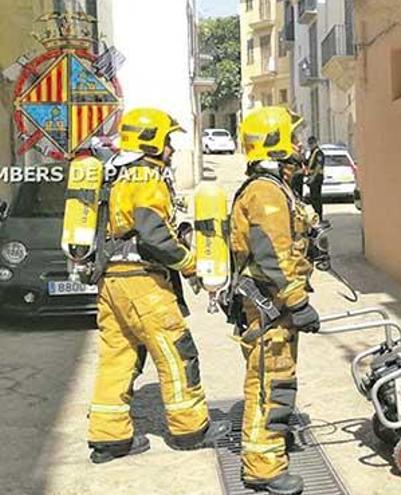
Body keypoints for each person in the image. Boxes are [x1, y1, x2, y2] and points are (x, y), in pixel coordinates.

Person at [87, 108, 230, 464]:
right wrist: (190, 262)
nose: (170, 149)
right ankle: (189, 430)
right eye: (167, 141)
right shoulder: (146, 177)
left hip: (111, 280)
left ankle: (109, 438)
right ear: (151, 141)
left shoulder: (116, 175)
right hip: (143, 284)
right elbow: (153, 237)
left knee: (117, 357)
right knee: (176, 352)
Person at [229, 106, 321, 495]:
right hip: (270, 305)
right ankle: (262, 468)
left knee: (277, 379)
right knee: (269, 382)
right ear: (277, 143)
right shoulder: (265, 192)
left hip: (273, 304)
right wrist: (298, 302)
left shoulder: (274, 188)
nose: (300, 146)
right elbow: (272, 256)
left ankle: (269, 449)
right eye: (293, 138)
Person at [305, 136, 325, 223]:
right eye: (310, 144)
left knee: (316, 198)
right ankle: (315, 216)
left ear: (316, 143)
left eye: (312, 143)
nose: (311, 145)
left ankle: (319, 217)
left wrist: (312, 178)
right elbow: (308, 163)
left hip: (316, 178)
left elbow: (318, 166)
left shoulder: (319, 153)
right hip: (312, 177)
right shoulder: (312, 152)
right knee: (313, 198)